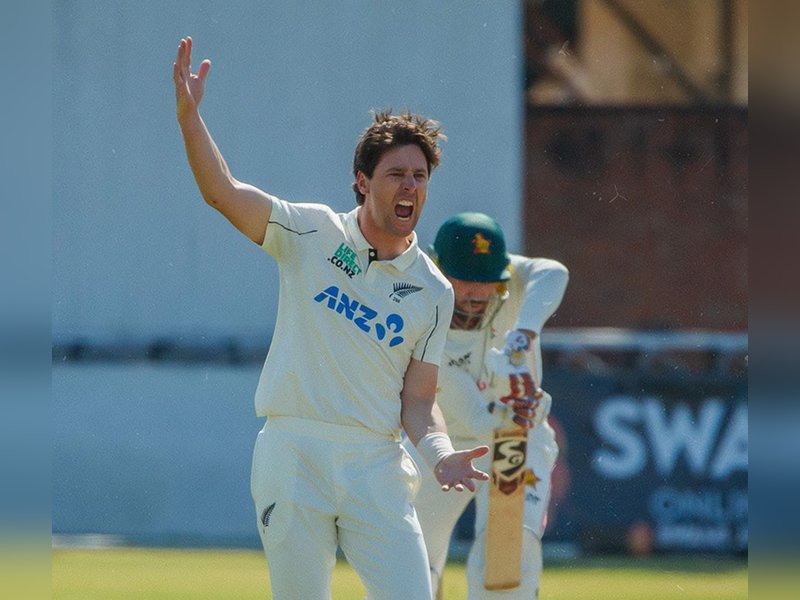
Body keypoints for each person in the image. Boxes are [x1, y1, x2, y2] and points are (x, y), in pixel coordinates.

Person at [172, 36, 489, 600]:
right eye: (397, 174)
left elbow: (417, 401)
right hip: (295, 453)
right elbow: (222, 193)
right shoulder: (311, 232)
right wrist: (190, 118)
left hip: (377, 464)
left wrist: (439, 456)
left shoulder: (435, 291)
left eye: (419, 176)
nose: (410, 187)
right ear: (364, 182)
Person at [407, 212, 569, 599]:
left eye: (486, 282)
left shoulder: (509, 279)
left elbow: (554, 272)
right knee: (409, 564)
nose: (478, 294)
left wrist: (526, 331)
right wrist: (513, 410)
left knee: (504, 566)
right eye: (466, 280)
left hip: (516, 442)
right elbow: (479, 421)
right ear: (439, 269)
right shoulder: (419, 314)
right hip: (443, 443)